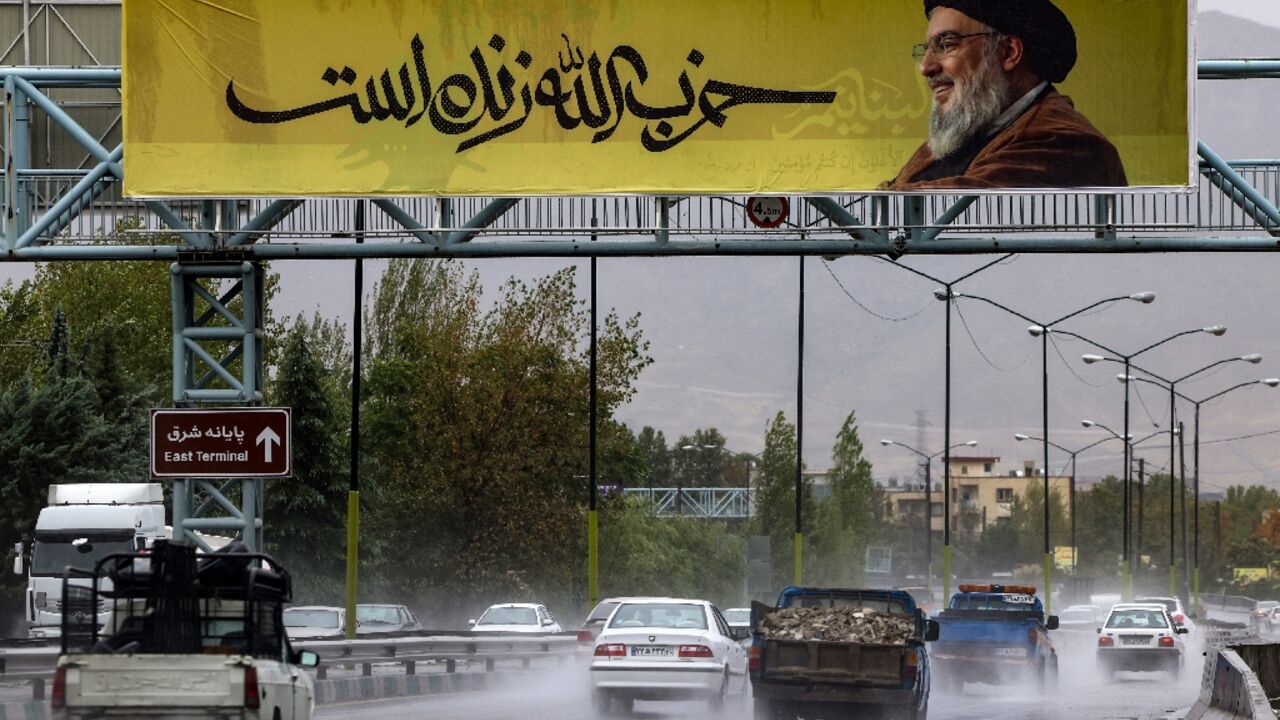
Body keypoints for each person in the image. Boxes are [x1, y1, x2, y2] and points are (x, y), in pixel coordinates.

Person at [884, 0, 1127, 190]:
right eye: (926, 49)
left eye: (946, 44)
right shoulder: (962, 135)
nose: (926, 67)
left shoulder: (1065, 141)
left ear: (1009, 52)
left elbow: (962, 210)